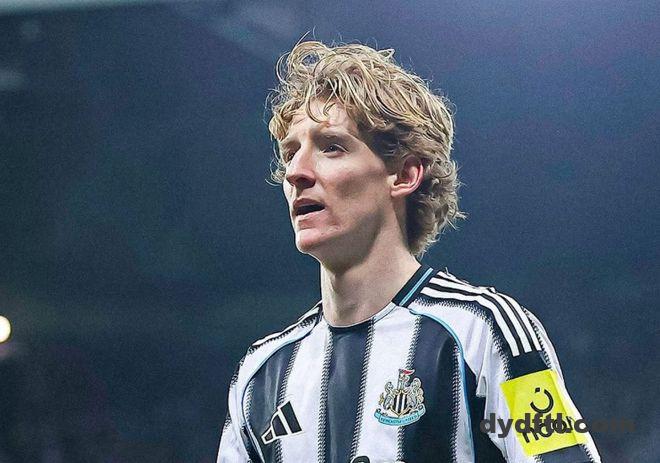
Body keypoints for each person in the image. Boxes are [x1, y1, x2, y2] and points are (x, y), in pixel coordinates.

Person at [217, 41, 601, 463]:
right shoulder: (260, 374)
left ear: (403, 175)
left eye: (331, 146)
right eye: (291, 152)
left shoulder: (486, 331)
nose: (295, 172)